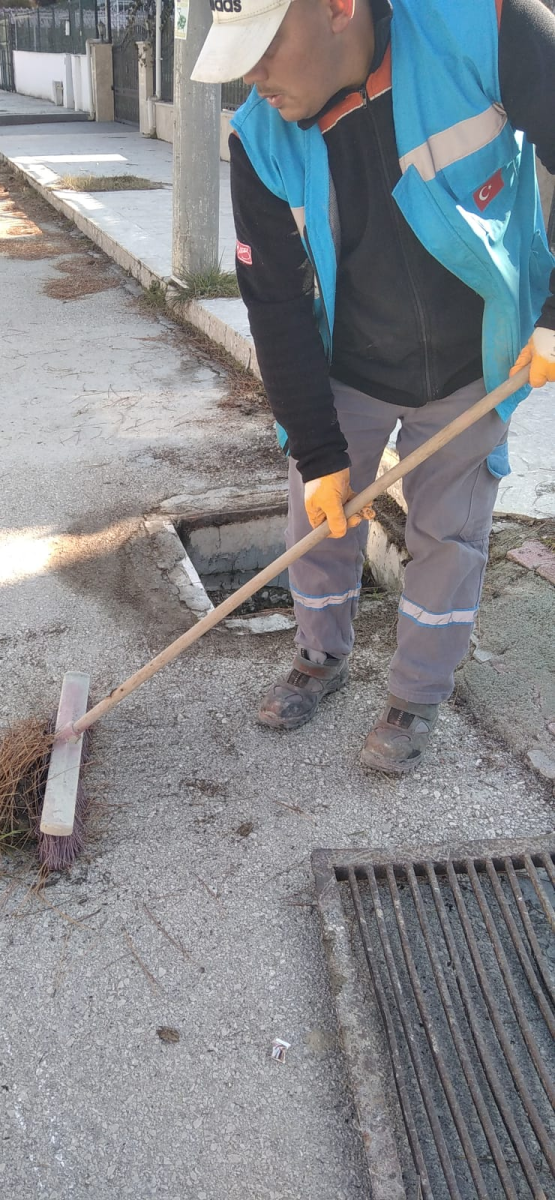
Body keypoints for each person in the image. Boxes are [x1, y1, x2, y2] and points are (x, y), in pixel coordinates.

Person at [191, 0, 555, 773]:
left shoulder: (482, 28)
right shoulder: (260, 140)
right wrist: (319, 450)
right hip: (346, 365)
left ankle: (415, 696)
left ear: (335, 8)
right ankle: (319, 657)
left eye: (263, 47)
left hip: (474, 366)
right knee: (318, 518)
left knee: (447, 541)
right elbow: (277, 309)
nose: (251, 77)